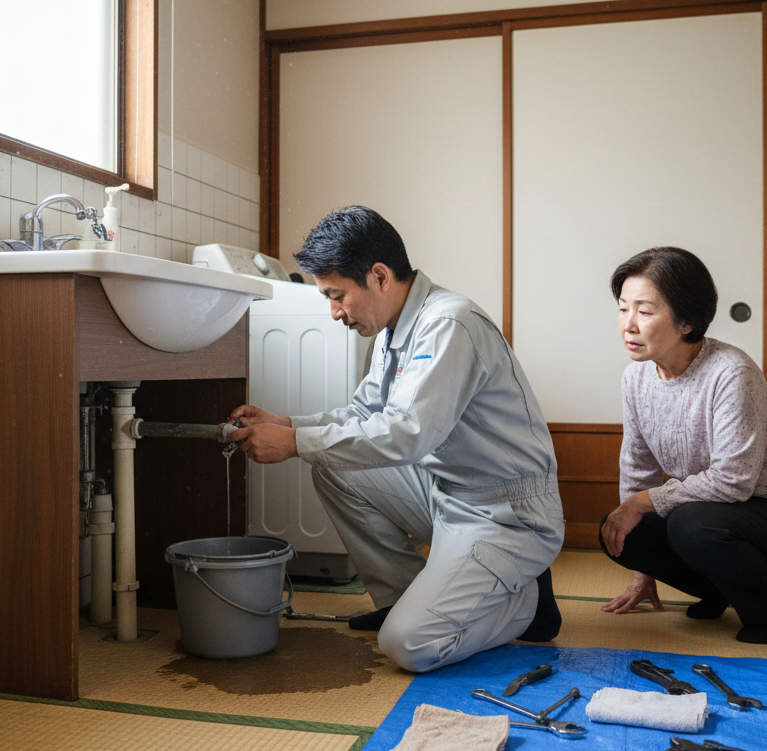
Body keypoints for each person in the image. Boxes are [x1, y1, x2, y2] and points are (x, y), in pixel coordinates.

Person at [229, 206, 564, 673]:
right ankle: (408, 598)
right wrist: (287, 424)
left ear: (380, 276)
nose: (333, 313)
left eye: (337, 295)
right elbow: (362, 416)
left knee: (408, 645)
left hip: (506, 513)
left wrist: (294, 444)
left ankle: (525, 600)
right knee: (333, 467)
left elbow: (406, 435)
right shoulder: (392, 330)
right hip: (446, 493)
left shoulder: (448, 324)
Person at [599, 246, 767, 644]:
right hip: (720, 512)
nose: (629, 325)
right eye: (623, 308)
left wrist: (640, 503)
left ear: (687, 321)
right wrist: (644, 571)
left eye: (644, 311)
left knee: (691, 524)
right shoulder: (635, 379)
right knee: (620, 531)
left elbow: (733, 482)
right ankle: (719, 590)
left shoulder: (731, 373)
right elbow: (637, 467)